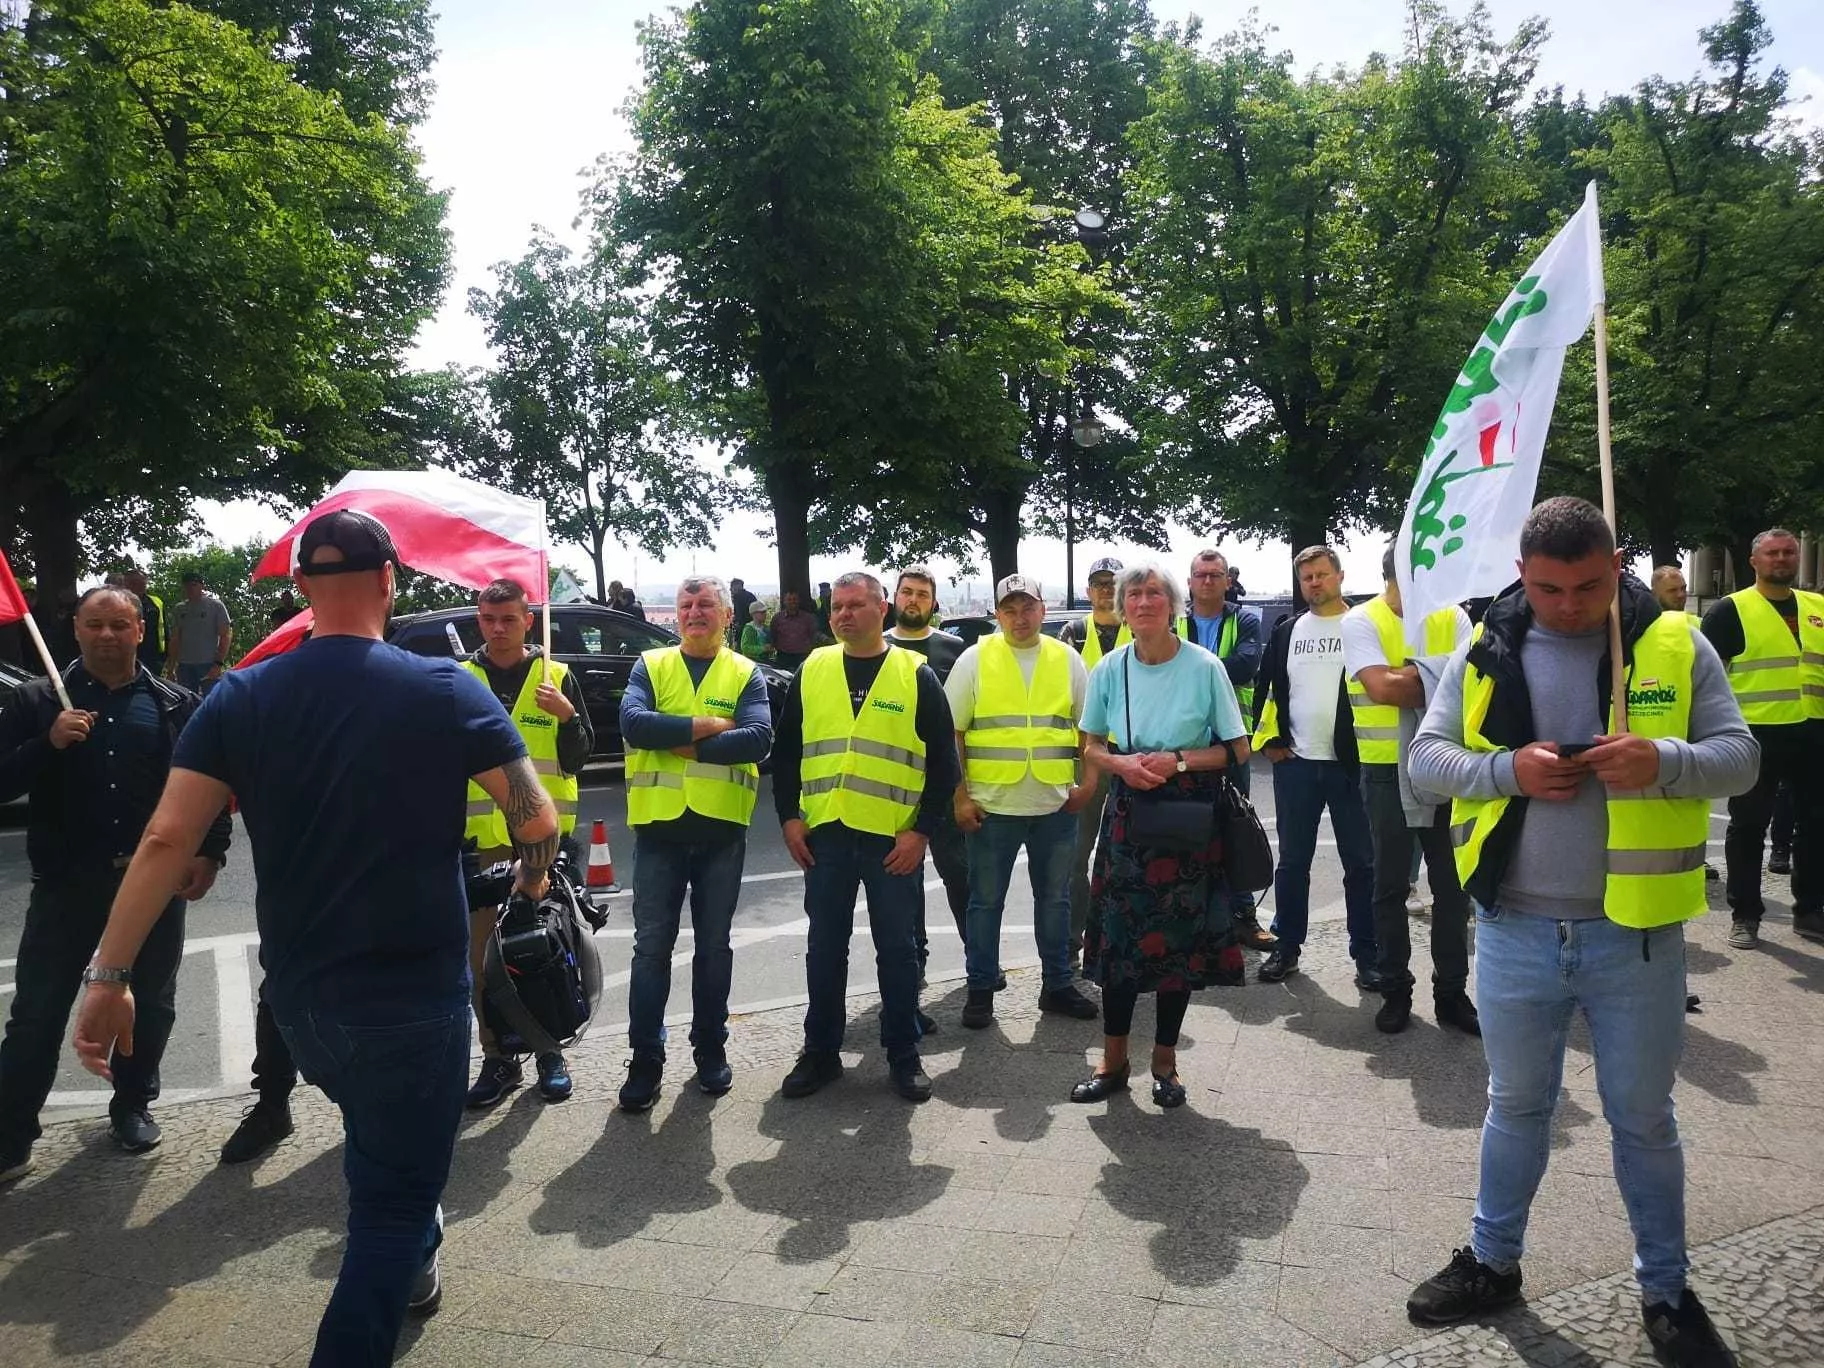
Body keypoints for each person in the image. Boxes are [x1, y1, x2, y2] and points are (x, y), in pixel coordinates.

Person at [71, 509, 558, 1365]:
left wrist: (109, 974)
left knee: (381, 1148)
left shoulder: (240, 695)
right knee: (392, 1202)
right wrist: (531, 872)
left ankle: (416, 1261)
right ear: (389, 581)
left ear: (300, 588)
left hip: (303, 1003)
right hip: (414, 997)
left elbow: (164, 839)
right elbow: (536, 815)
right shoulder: (447, 688)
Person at [1404, 496, 1757, 1368]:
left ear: (1618, 562)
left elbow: (1742, 758)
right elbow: (1427, 760)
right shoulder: (1485, 648)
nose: (1570, 604)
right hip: (1516, 928)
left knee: (1642, 1119)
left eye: (1590, 586)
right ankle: (1493, 1262)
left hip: (1635, 934)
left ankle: (1666, 1291)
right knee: (1515, 1108)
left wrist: (1665, 761)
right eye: (1551, 587)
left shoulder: (1674, 642)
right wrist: (1507, 770)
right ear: (1523, 573)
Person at [0, 586, 231, 1178]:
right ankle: (11, 1131)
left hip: (150, 885)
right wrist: (45, 744)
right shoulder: (36, 701)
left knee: (151, 1005)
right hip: (65, 886)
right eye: (95, 624)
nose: (107, 635)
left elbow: (208, 787)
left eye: (119, 625)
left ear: (140, 632)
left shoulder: (175, 703)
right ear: (75, 629)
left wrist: (210, 853)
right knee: (37, 1014)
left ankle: (132, 1105)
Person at [771, 572, 959, 1103]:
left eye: (856, 604)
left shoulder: (915, 674)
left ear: (883, 608)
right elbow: (785, 754)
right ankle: (821, 1054)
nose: (844, 614)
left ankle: (903, 1055)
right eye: (837, 606)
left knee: (898, 952)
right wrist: (789, 817)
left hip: (891, 842)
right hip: (825, 835)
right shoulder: (814, 669)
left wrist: (921, 832)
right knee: (824, 948)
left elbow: (944, 765)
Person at [1071, 561, 1249, 1109]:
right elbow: (1089, 745)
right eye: (1134, 595)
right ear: (1123, 608)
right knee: (1122, 945)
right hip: (1129, 816)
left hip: (1189, 816)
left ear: (1172, 605)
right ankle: (1113, 1059)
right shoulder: (1110, 669)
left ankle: (1165, 1062)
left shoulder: (1204, 667)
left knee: (1179, 950)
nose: (1143, 602)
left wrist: (1174, 761)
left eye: (1154, 593)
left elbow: (1236, 750)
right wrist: (1120, 766)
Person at [618, 576, 772, 1110]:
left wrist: (685, 748)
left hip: (720, 832)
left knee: (713, 949)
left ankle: (710, 1050)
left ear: (727, 615)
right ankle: (646, 1060)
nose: (693, 611)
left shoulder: (745, 672)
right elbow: (635, 724)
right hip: (660, 830)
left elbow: (758, 738)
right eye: (686, 605)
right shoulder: (652, 665)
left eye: (705, 604)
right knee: (649, 951)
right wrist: (709, 725)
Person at [462, 579, 594, 1108]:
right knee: (482, 962)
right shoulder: (461, 679)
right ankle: (497, 1059)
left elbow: (581, 757)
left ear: (527, 621)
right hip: (481, 844)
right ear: (480, 620)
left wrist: (567, 717)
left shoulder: (555, 674)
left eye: (509, 620)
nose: (498, 629)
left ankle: (549, 1053)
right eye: (489, 620)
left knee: (540, 954)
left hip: (541, 846)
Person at [948, 574, 1097, 1028]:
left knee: (1055, 901)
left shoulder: (1066, 658)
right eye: (1009, 609)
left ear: (1043, 609)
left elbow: (1088, 726)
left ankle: (1056, 985)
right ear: (998, 614)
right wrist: (960, 796)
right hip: (993, 805)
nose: (1019, 617)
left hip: (1053, 803)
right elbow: (951, 732)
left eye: (1027, 607)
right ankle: (980, 989)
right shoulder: (975, 658)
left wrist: (1088, 782)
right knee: (985, 902)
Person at [1341, 546, 1477, 1035]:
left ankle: (1452, 995)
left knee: (1452, 889)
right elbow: (1381, 689)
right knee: (1391, 887)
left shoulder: (1454, 615)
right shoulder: (1361, 621)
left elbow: (1474, 681)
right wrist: (1442, 673)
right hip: (1383, 771)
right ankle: (1395, 990)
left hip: (1445, 763)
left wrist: (1408, 673)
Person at [1251, 546, 1377, 986]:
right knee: (1292, 863)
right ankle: (1287, 947)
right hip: (1298, 765)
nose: (1315, 583)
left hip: (1352, 764)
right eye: (1307, 577)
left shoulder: (1364, 625)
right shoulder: (1287, 631)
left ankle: (1368, 955)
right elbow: (1267, 689)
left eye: (1322, 574)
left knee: (1362, 863)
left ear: (1340, 576)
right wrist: (1268, 741)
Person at [1700, 528, 1823, 947]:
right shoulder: (1729, 610)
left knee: (1816, 823)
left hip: (1813, 732)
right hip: (1755, 734)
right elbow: (1706, 679)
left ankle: (1809, 909)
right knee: (1749, 824)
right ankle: (1745, 914)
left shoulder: (1817, 607)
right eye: (1773, 553)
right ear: (1754, 561)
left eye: (1789, 552)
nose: (1783, 559)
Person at [1179, 549, 1272, 952]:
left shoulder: (1245, 619)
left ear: (1228, 581)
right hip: (1185, 738)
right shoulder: (1176, 621)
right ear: (1189, 581)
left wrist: (1191, 670)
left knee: (1236, 827)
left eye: (1215, 575)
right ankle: (1189, 919)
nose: (1207, 581)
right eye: (1200, 575)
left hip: (1231, 739)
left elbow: (1247, 665)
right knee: (1184, 829)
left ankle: (1243, 917)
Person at [885, 566, 969, 996]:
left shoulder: (954, 649)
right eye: (906, 592)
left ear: (934, 603)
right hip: (894, 788)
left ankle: (980, 958)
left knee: (959, 873)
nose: (913, 600)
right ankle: (914, 963)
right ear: (893, 599)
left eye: (922, 594)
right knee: (906, 882)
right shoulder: (876, 648)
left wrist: (965, 787)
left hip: (946, 781)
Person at [1059, 557, 1129, 967]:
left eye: (1112, 582)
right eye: (1098, 583)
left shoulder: (1137, 628)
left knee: (1126, 853)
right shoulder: (1074, 632)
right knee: (1075, 856)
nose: (1105, 589)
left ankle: (1119, 937)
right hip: (1084, 755)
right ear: (1088, 591)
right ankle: (1072, 940)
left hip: (1128, 754)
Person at [1652, 566, 1722, 884]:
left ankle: (1695, 857)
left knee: (1694, 800)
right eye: (1673, 590)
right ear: (1655, 593)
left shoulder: (1697, 626)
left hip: (1691, 723)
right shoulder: (1643, 627)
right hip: (1658, 721)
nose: (1681, 595)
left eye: (1683, 588)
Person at [166, 572, 232, 695]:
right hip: (185, 665)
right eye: (187, 586)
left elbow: (225, 635)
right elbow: (175, 638)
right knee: (187, 702)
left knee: (211, 701)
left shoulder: (215, 606)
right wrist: (171, 668)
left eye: (194, 585)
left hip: (208, 664)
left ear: (202, 586)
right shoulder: (180, 609)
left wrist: (218, 664)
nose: (190, 589)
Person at [123, 568, 166, 676]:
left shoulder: (156, 602)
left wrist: (166, 656)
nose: (141, 586)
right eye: (135, 583)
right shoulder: (118, 603)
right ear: (126, 584)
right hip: (126, 654)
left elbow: (164, 628)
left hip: (153, 656)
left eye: (143, 583)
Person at [770, 588, 820, 672]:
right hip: (783, 657)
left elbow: (814, 636)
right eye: (789, 599)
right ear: (784, 601)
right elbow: (772, 636)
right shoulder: (777, 618)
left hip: (803, 657)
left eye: (794, 599)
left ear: (799, 601)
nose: (792, 601)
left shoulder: (808, 618)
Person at [728, 577, 758, 647]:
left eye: (731, 587)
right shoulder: (749, 596)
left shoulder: (739, 597)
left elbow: (740, 617)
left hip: (744, 631)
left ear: (737, 587)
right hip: (752, 630)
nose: (730, 590)